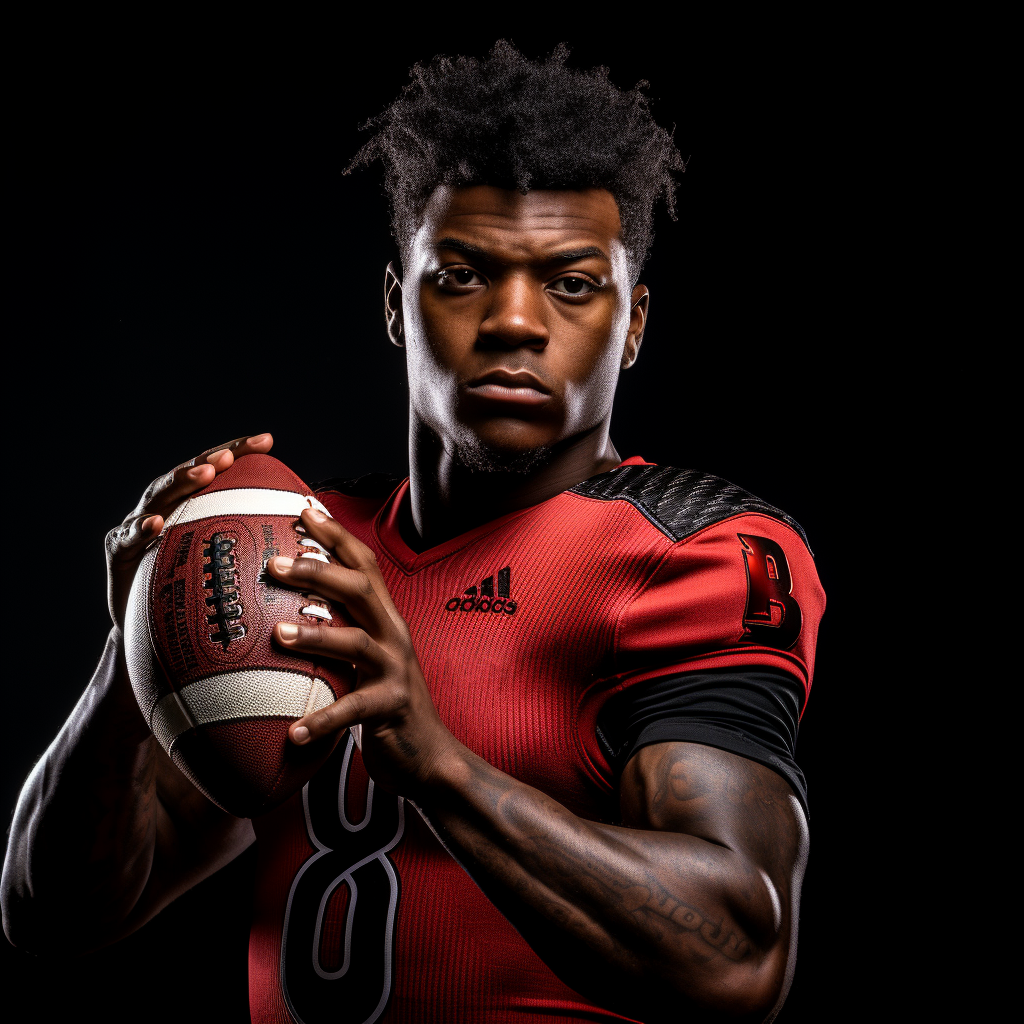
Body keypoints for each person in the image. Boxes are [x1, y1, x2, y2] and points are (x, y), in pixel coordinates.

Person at [1, 42, 824, 1023]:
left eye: (570, 282)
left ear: (633, 322)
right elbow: (57, 916)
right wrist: (131, 649)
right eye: (464, 274)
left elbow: (738, 966)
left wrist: (437, 761)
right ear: (397, 302)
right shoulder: (307, 549)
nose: (515, 321)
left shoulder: (693, 548)